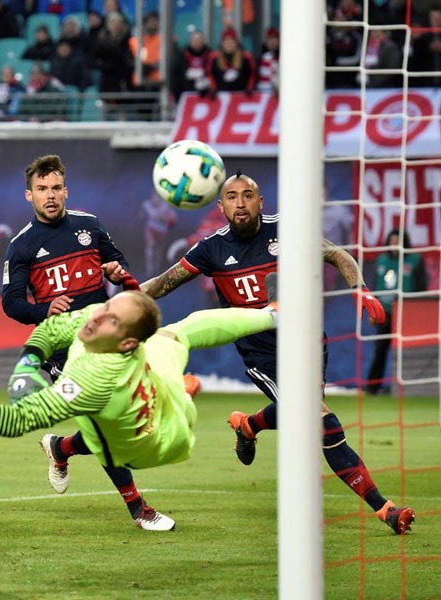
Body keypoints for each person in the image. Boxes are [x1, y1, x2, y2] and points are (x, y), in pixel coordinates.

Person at [139, 171, 415, 535]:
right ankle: (384, 509)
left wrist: (361, 289)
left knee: (303, 413)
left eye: (248, 195)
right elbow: (161, 283)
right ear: (220, 206)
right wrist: (117, 304)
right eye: (233, 197)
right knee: (322, 422)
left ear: (260, 201)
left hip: (307, 339)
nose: (241, 203)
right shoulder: (211, 248)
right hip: (263, 353)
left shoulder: (286, 229)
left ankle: (249, 424)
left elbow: (335, 254)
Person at [0, 289, 279, 530]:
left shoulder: (94, 383)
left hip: (161, 443)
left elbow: (15, 420)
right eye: (106, 308)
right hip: (151, 378)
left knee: (134, 403)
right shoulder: (102, 321)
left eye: (111, 319)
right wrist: (29, 360)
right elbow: (53, 328)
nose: (96, 316)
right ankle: (176, 387)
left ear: (126, 343)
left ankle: (176, 394)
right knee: (179, 334)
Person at [2, 154, 154, 523]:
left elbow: (117, 262)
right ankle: (138, 509)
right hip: (64, 351)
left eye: (55, 188)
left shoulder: (89, 225)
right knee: (104, 423)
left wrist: (117, 271)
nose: (49, 195)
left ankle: (61, 447)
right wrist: (44, 311)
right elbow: (11, 304)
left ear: (66, 191)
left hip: (109, 342)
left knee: (125, 421)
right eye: (41, 189)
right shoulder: (21, 246)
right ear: (29, 196)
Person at [365, 229, 427, 394]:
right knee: (380, 350)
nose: (394, 245)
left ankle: (406, 387)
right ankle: (372, 388)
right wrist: (372, 311)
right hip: (384, 313)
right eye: (391, 241)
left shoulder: (415, 260)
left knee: (406, 351)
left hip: (406, 314)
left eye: (397, 241)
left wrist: (418, 312)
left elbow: (422, 287)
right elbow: (375, 286)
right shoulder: (382, 260)